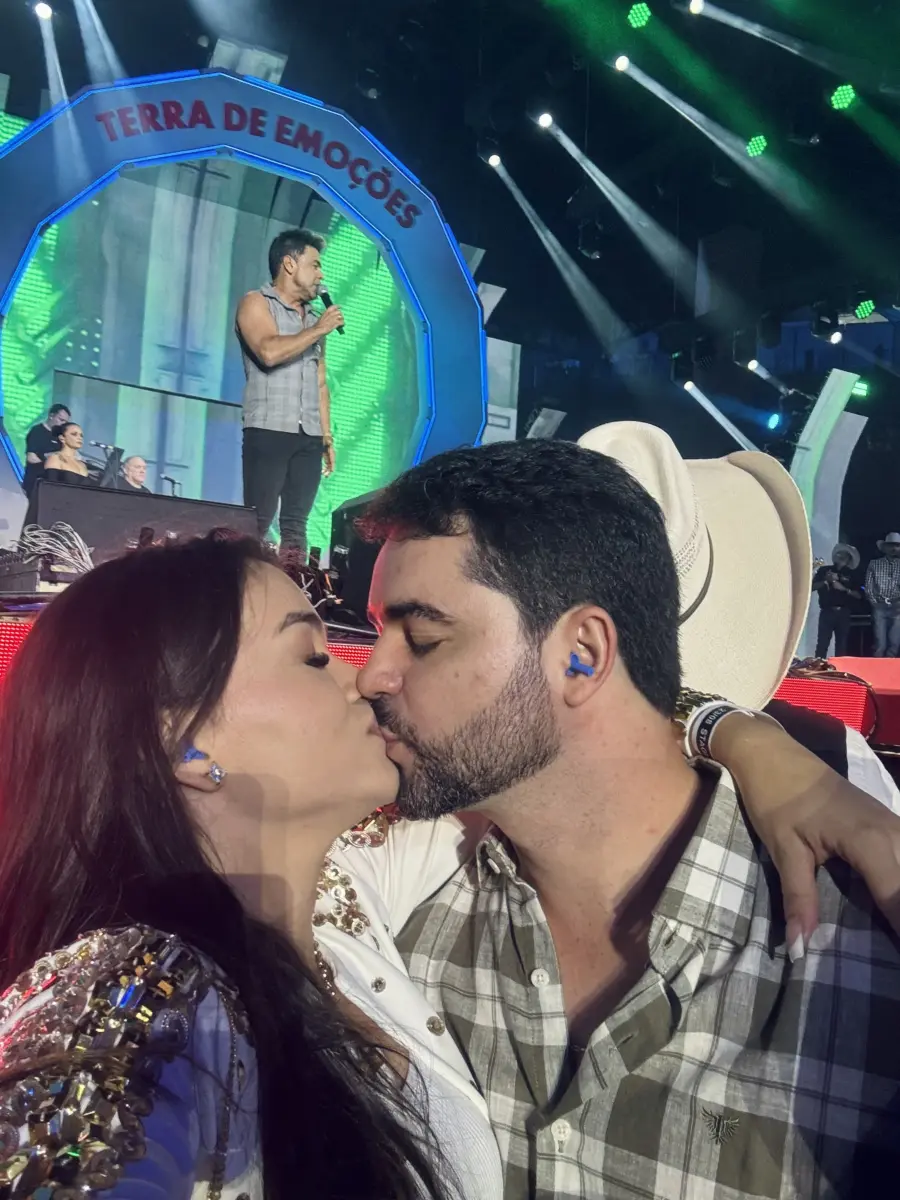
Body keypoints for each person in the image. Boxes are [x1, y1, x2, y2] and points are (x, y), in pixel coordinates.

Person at [352, 436, 900, 1198]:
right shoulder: (399, 920)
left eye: (422, 637)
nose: (372, 674)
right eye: (376, 630)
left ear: (583, 654)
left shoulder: (861, 961)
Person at [0, 534, 488, 1200]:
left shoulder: (345, 892)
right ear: (187, 747)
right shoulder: (152, 986)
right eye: (313, 657)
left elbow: (508, 770)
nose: (362, 678)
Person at [236, 228, 342, 559]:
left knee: (296, 524)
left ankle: (293, 583)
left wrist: (327, 435)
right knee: (257, 521)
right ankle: (245, 581)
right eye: (315, 265)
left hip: (309, 434)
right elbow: (268, 352)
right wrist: (318, 330)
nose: (321, 275)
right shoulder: (256, 302)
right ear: (290, 264)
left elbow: (320, 381)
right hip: (269, 427)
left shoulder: (314, 318)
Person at [812, 543, 861, 658]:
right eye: (839, 554)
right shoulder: (824, 570)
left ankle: (839, 667)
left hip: (844, 613)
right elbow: (812, 587)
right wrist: (826, 581)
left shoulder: (852, 574)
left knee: (842, 644)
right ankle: (818, 665)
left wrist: (844, 589)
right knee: (822, 643)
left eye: (845, 555)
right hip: (827, 611)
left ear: (849, 559)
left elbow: (859, 595)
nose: (841, 557)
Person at [22, 402, 70, 497]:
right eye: (61, 420)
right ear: (51, 416)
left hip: (52, 485)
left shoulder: (60, 437)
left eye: (65, 422)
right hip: (35, 483)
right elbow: (31, 458)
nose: (63, 424)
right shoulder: (37, 431)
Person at [866, 531, 900, 657]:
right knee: (880, 643)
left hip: (897, 606)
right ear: (884, 547)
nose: (894, 548)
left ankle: (889, 668)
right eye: (891, 545)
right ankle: (877, 667)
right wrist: (874, 603)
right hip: (879, 605)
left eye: (897, 545)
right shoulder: (874, 564)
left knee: (894, 643)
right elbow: (869, 586)